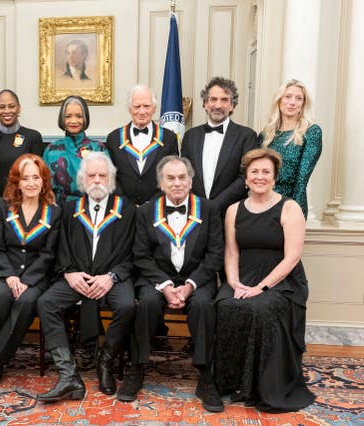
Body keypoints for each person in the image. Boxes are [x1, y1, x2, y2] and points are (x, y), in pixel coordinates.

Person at [116, 156, 224, 411]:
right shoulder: (145, 211)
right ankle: (138, 368)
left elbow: (215, 255)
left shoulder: (208, 209)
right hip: (156, 278)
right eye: (170, 178)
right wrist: (165, 286)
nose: (177, 183)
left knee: (203, 306)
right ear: (161, 183)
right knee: (146, 304)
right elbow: (140, 255)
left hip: (198, 277)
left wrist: (190, 285)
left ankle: (205, 374)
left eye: (182, 177)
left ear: (190, 180)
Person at [214, 148, 315, 412]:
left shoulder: (289, 208)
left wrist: (261, 288)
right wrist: (233, 282)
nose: (260, 177)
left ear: (274, 177)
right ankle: (233, 383)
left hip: (282, 281)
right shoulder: (233, 210)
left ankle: (260, 386)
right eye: (254, 172)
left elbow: (291, 258)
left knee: (260, 309)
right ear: (246, 178)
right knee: (225, 304)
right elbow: (232, 251)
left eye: (266, 172)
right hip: (243, 275)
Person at [36, 152, 136, 401]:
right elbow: (60, 247)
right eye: (91, 175)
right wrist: (69, 273)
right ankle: (68, 373)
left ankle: (105, 362)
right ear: (82, 180)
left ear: (111, 179)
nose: (97, 180)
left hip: (112, 278)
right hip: (77, 276)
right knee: (46, 302)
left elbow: (136, 253)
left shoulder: (128, 209)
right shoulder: (70, 208)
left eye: (103, 175)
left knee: (126, 305)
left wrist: (112, 276)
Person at [0, 154, 62, 390]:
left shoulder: (54, 212)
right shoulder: (2, 207)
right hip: (3, 272)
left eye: (36, 177)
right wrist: (10, 275)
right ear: (17, 182)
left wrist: (27, 280)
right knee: (1, 296)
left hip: (36, 277)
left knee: (25, 301)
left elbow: (49, 254)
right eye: (25, 178)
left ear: (43, 181)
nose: (31, 183)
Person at [181, 76, 259, 217]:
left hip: (231, 214)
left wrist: (215, 205)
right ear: (205, 104)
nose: (218, 105)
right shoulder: (190, 136)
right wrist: (200, 206)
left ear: (232, 105)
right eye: (213, 99)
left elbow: (245, 176)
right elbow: (185, 174)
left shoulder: (247, 136)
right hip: (194, 214)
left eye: (224, 100)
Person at [106, 84, 179, 205]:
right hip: (123, 208)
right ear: (129, 108)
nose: (142, 111)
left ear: (154, 108)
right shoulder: (114, 138)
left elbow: (171, 176)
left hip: (158, 207)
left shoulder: (169, 138)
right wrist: (126, 204)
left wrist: (151, 204)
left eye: (147, 106)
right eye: (137, 106)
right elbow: (110, 177)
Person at [259, 79, 322, 219]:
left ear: (303, 104)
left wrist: (293, 211)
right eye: (288, 96)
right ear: (279, 100)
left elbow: (301, 180)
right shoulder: (266, 134)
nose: (292, 102)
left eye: (298, 98)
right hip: (261, 202)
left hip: (291, 202)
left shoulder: (312, 132)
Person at [0, 89, 44, 197]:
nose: (7, 111)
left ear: (19, 109)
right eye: (2, 107)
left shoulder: (33, 137)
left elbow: (37, 175)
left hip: (23, 202)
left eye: (11, 106)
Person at [43, 95, 108, 204]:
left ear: (85, 118)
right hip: (59, 209)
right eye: (68, 116)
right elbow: (43, 185)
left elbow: (107, 183)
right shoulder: (51, 149)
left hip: (91, 207)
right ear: (62, 119)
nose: (73, 121)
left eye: (79, 116)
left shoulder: (98, 148)